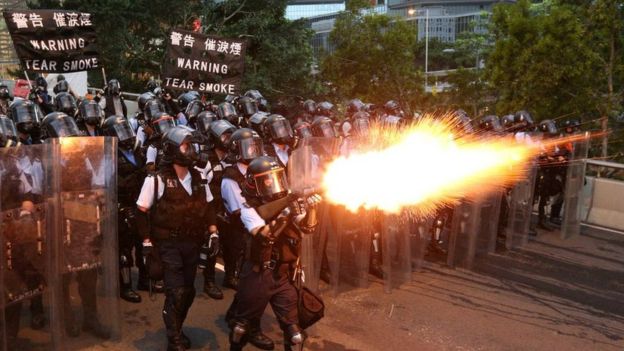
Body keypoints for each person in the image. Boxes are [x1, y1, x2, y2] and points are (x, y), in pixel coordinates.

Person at [136, 126, 219, 351]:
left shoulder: (199, 177)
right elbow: (141, 211)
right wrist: (146, 242)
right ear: (173, 149)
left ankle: (177, 327)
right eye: (186, 145)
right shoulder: (157, 180)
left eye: (192, 145)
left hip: (191, 243)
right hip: (167, 244)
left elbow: (210, 205)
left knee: (189, 291)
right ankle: (173, 338)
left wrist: (213, 232)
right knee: (176, 291)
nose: (191, 150)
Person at [228, 156, 321, 351]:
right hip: (258, 274)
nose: (274, 184)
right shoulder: (249, 208)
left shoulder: (287, 200)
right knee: (240, 328)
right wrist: (285, 213)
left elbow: (307, 227)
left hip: (283, 275)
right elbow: (263, 235)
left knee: (295, 334)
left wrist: (312, 209)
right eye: (268, 180)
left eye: (276, 178)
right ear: (256, 184)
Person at [41, 112, 112, 339]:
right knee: (63, 278)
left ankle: (91, 319)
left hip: (84, 225)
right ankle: (66, 319)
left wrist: (98, 202)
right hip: (59, 227)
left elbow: (93, 187)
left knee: (88, 276)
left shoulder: (81, 158)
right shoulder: (45, 161)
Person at [221, 128, 275, 350]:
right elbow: (240, 211)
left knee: (255, 284)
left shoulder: (262, 170)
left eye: (255, 145)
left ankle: (236, 315)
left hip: (261, 230)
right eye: (248, 146)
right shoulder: (231, 178)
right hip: (243, 234)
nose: (253, 151)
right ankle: (248, 326)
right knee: (253, 283)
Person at [102, 116, 147, 302]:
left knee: (143, 243)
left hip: (139, 204)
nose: (125, 136)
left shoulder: (137, 151)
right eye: (120, 131)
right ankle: (125, 286)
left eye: (126, 129)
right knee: (124, 251)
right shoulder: (107, 156)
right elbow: (105, 184)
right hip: (120, 207)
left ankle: (145, 280)